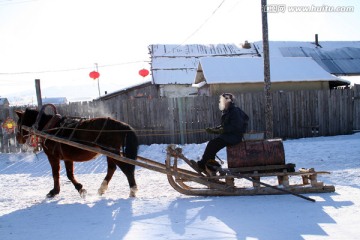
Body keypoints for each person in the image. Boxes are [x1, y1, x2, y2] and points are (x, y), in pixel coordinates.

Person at [190, 93, 249, 175]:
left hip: (234, 137)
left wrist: (221, 130)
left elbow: (236, 126)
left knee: (212, 144)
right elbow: (225, 125)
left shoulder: (234, 111)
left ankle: (204, 166)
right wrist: (215, 129)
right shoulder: (228, 111)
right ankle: (210, 167)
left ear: (227, 101)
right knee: (212, 145)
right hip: (229, 136)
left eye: (222, 100)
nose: (220, 102)